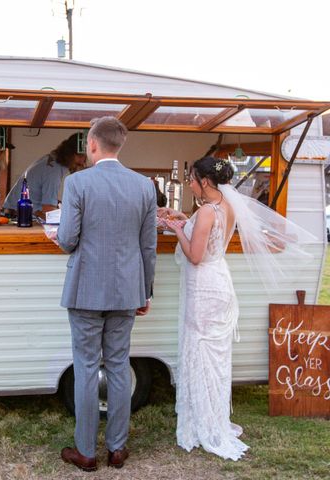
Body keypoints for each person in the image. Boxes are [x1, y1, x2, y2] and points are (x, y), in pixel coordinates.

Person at [162, 156, 315, 461]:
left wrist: (174, 228)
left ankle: (203, 423)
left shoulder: (206, 211)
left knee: (200, 353)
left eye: (192, 178)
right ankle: (211, 417)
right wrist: (182, 218)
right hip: (219, 282)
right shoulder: (226, 206)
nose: (190, 183)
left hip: (204, 287)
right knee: (214, 358)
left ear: (205, 181)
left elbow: (194, 255)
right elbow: (206, 233)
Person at [56, 116, 157, 472]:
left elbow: (68, 239)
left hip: (85, 290)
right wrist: (146, 291)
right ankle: (117, 448)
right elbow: (148, 245)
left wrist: (55, 236)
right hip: (126, 291)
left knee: (85, 368)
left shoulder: (77, 183)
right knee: (117, 366)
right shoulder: (144, 186)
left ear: (92, 143)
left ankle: (85, 451)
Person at [2, 134, 86, 218]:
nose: (82, 162)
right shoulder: (53, 171)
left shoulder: (51, 160)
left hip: (14, 211)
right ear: (70, 154)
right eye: (80, 156)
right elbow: (48, 211)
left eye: (85, 157)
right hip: (19, 216)